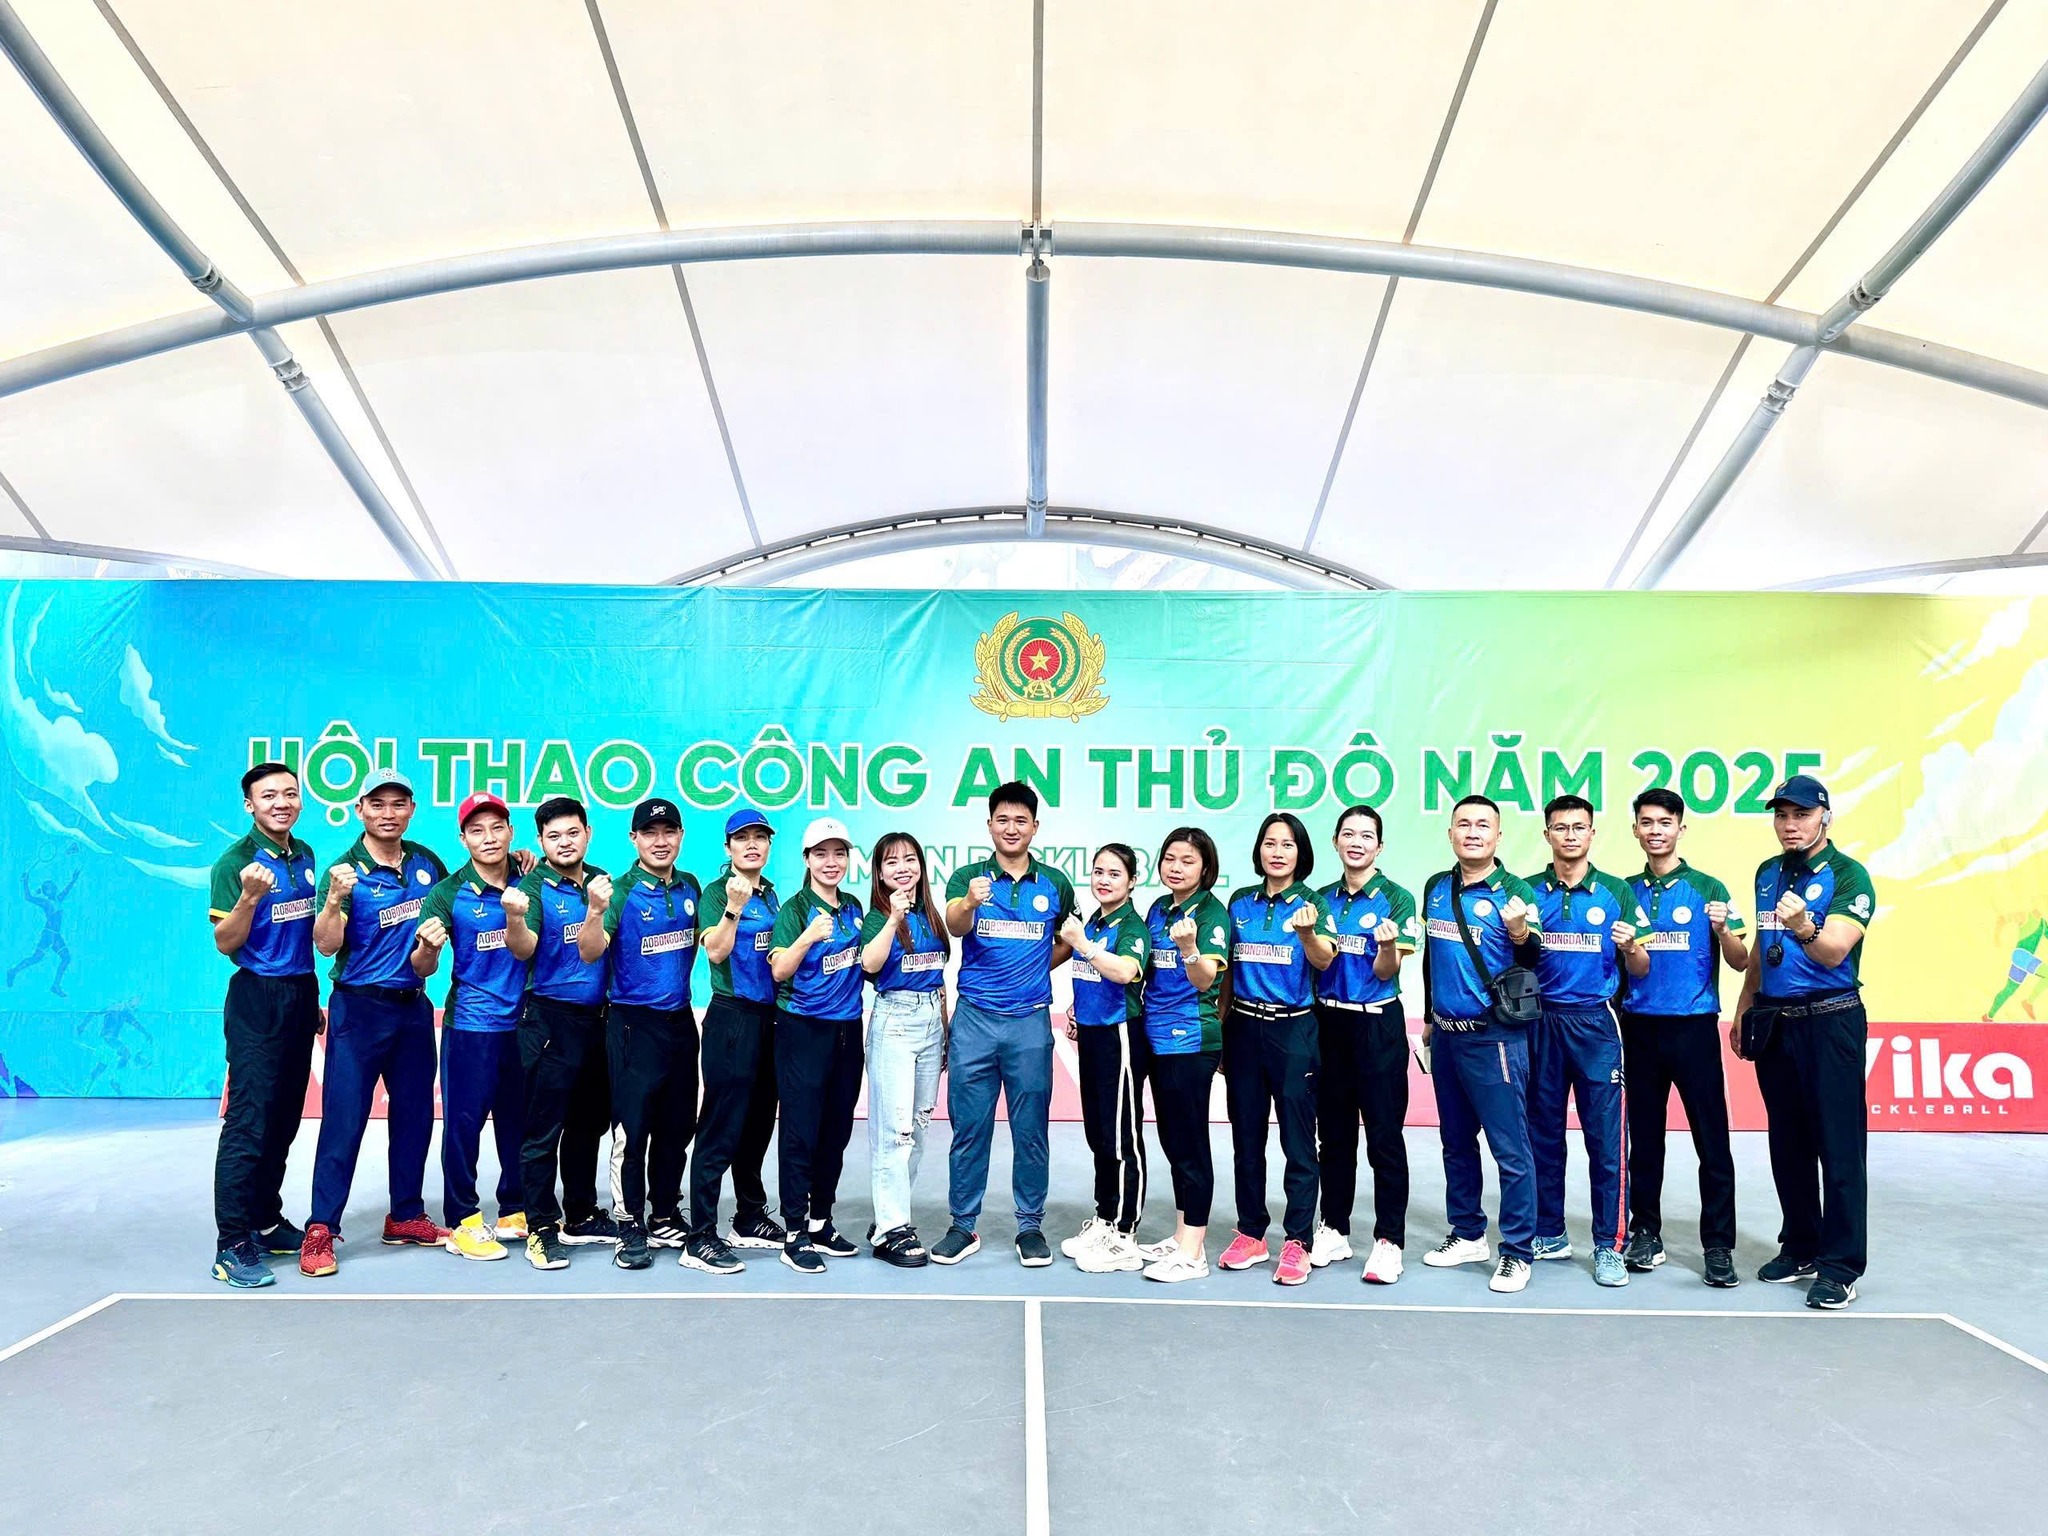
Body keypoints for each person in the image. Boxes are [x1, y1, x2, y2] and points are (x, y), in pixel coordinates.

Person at [1734, 774, 1876, 1310]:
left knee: (1838, 1146)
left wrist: (1804, 927)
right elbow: (1762, 949)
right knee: (1787, 1143)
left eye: (1801, 814)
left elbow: (1834, 951)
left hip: (1830, 1021)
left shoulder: (1849, 874)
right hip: (1775, 1020)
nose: (1790, 825)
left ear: (1825, 817)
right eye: (1781, 815)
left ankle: (1840, 1265)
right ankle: (1800, 1246)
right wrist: (1744, 1006)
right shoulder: (1767, 872)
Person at [299, 769, 449, 1277]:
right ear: (360, 809)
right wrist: (334, 900)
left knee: (415, 1117)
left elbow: (469, 894)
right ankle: (321, 1227)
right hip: (358, 1010)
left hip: (412, 1008)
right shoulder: (343, 871)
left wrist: (520, 863)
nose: (388, 813)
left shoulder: (427, 863)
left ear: (411, 810)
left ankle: (405, 1214)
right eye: (378, 804)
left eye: (398, 803)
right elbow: (326, 944)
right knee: (343, 1120)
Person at [936, 782, 1077, 1267]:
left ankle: (1030, 1226)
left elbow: (1070, 937)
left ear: (1035, 827)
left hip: (1029, 1024)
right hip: (975, 1020)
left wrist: (1036, 965)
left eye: (1021, 820)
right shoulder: (968, 878)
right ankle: (962, 1225)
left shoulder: (1055, 882)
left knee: (1031, 1130)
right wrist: (969, 902)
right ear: (989, 825)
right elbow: (955, 925)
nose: (1011, 828)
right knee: (969, 1129)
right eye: (1003, 820)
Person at [1621, 787, 1747, 1286]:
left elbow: (1740, 960)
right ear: (1635, 829)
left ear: (1680, 828)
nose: (1655, 831)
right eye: (1647, 822)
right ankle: (1644, 1233)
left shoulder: (1708, 888)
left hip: (1694, 1029)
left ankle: (1718, 1245)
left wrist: (1724, 932)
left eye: (1665, 822)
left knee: (1712, 1142)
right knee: (1644, 1141)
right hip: (1638, 1028)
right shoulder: (1623, 890)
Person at [1523, 794, 1650, 1289]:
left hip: (1595, 1025)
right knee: (1543, 1134)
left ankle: (1609, 1245)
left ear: (1593, 834)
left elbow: (1641, 967)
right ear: (1547, 834)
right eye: (1561, 827)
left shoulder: (1616, 892)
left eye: (1579, 827)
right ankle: (1548, 1232)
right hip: (1540, 1024)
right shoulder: (1527, 891)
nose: (1570, 835)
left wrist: (1631, 947)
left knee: (1606, 1140)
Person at [1419, 794, 1544, 1294]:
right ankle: (1468, 1232)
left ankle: (1517, 1250)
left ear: (1498, 836)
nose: (1472, 832)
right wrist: (1430, 1016)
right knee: (1455, 1142)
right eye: (1463, 824)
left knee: (1510, 1149)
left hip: (1495, 1038)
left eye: (1483, 825)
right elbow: (1431, 956)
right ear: (1450, 833)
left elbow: (1533, 960)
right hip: (1447, 1038)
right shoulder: (1436, 886)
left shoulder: (1515, 892)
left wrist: (1520, 933)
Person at [206, 762, 322, 1288]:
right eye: (269, 795)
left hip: (299, 993)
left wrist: (309, 1001)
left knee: (283, 1119)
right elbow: (226, 943)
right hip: (257, 998)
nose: (281, 803)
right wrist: (250, 896)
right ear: (250, 805)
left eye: (290, 794)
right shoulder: (234, 863)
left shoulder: (305, 855)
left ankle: (266, 1221)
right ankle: (232, 1243)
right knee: (249, 1122)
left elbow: (300, 933)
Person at [412, 792, 529, 1261]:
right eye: (477, 831)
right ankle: (462, 1220)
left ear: (511, 832)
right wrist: (428, 948)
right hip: (471, 1025)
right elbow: (421, 967)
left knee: (519, 1123)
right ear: (463, 839)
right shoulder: (447, 893)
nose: (489, 838)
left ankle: (515, 1209)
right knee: (464, 1126)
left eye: (497, 827)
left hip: (523, 1024)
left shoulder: (529, 877)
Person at [1219, 812, 1335, 1287]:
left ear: (1301, 852)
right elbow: (1227, 971)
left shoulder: (1314, 903)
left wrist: (1307, 933)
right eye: (1270, 843)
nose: (1278, 852)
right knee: (1246, 1140)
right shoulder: (1239, 902)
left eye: (1287, 844)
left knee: (1297, 1142)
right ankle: (1251, 1232)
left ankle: (1297, 1241)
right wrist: (1221, 1030)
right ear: (1259, 850)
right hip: (1244, 1028)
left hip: (1294, 1031)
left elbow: (1324, 959)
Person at [592, 798, 702, 1271]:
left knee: (677, 1127)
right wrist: (593, 914)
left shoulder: (690, 886)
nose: (661, 841)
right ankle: (629, 1222)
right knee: (632, 1131)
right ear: (633, 839)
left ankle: (663, 1213)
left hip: (680, 1022)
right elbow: (590, 951)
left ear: (680, 836)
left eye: (669, 832)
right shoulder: (619, 892)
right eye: (650, 833)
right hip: (632, 1025)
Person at [505, 796, 613, 1271]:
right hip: (548, 1020)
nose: (565, 842)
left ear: (588, 833)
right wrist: (514, 917)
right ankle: (542, 1228)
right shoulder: (531, 887)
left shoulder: (602, 881)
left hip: (598, 1021)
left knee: (589, 1124)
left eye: (572, 832)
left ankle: (581, 1213)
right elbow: (523, 947)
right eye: (554, 836)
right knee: (543, 1130)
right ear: (541, 841)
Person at [1313, 804, 1418, 1285]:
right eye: (1348, 834)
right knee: (1334, 1137)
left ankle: (1389, 1240)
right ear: (1336, 841)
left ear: (1380, 846)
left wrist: (1387, 946)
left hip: (1377, 1026)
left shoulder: (1397, 899)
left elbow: (1385, 971)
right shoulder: (1320, 899)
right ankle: (1334, 1228)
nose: (1356, 842)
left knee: (1384, 1138)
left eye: (1366, 836)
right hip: (1328, 1024)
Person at [683, 807, 787, 1274]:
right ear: (728, 847)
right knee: (720, 1127)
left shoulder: (772, 894)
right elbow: (716, 950)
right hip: (732, 1017)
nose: (752, 845)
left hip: (770, 1020)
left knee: (758, 1123)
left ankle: (749, 1216)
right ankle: (701, 1236)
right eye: (742, 838)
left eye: (759, 838)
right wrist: (733, 907)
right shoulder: (715, 893)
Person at [767, 818, 868, 1275]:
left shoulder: (853, 906)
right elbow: (779, 971)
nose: (831, 862)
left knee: (836, 1130)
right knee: (800, 1131)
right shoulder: (794, 910)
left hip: (847, 1031)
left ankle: (821, 1221)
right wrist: (808, 936)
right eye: (822, 854)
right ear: (806, 859)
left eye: (839, 853)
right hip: (802, 1029)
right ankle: (794, 1231)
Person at [1137, 827, 1231, 1283]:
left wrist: (1190, 948)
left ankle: (1194, 1251)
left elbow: (1205, 979)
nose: (1176, 867)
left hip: (1191, 1039)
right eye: (1170, 858)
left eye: (1188, 860)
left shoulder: (1212, 914)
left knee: (1191, 1143)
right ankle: (1179, 1237)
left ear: (1205, 867)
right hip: (1155, 1037)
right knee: (1173, 1140)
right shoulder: (1159, 908)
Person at [860, 831, 952, 1268]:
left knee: (917, 1128)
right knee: (893, 1132)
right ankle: (892, 1229)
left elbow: (938, 975)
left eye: (910, 859)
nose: (903, 868)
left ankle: (889, 1215)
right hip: (894, 1021)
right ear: (879, 873)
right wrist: (893, 918)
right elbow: (870, 964)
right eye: (892, 862)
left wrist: (945, 1030)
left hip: (931, 1021)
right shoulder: (877, 917)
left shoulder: (931, 915)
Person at [1059, 843, 1151, 1274]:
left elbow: (1125, 971)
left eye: (1115, 873)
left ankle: (1125, 1233)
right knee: (1098, 1133)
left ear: (1132, 881)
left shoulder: (1132, 925)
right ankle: (1105, 1217)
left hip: (1120, 1036)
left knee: (1122, 1137)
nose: (1104, 880)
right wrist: (1078, 1008)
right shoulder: (1095, 920)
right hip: (1092, 1034)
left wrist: (1082, 944)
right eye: (1098, 871)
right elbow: (1089, 975)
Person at [7, 869, 77, 995]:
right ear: (46, 891)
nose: (54, 887)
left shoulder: (58, 899)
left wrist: (73, 879)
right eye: (50, 887)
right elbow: (28, 897)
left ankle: (55, 985)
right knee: (36, 958)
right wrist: (25, 881)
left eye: (53, 886)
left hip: (56, 935)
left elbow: (67, 890)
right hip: (48, 935)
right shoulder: (45, 902)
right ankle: (13, 971)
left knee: (66, 958)